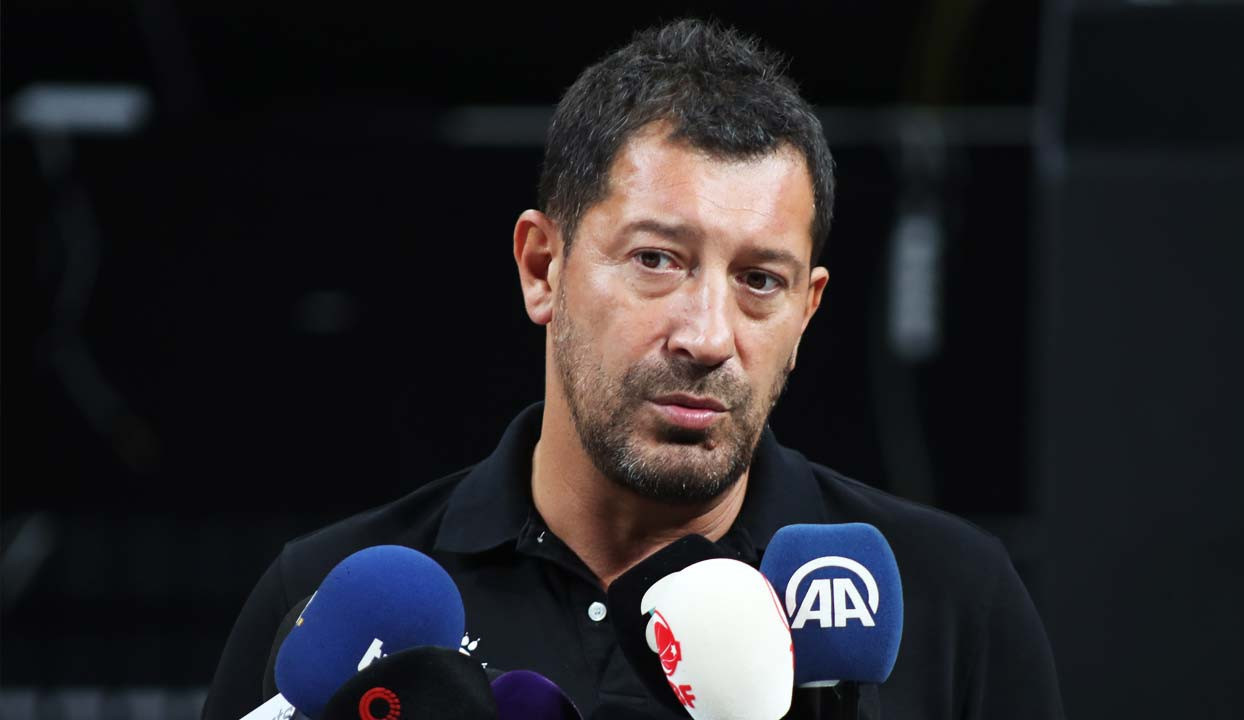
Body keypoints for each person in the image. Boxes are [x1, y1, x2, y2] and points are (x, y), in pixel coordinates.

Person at [203, 19, 1064, 720]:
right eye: (657, 260)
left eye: (760, 280)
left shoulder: (955, 602)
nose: (707, 335)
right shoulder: (328, 604)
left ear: (806, 312)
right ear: (542, 267)